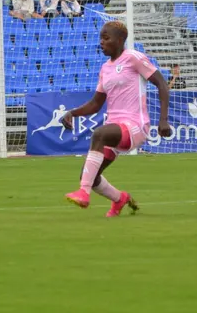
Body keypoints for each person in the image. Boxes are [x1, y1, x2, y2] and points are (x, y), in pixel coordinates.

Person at [61, 21, 172, 216]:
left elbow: (162, 84)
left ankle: (83, 193)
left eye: (106, 38)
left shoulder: (134, 58)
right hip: (116, 128)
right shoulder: (105, 68)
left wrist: (163, 119)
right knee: (90, 176)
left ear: (120, 40)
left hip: (135, 126)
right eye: (100, 38)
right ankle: (120, 199)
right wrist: (72, 113)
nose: (101, 42)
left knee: (99, 134)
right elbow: (96, 103)